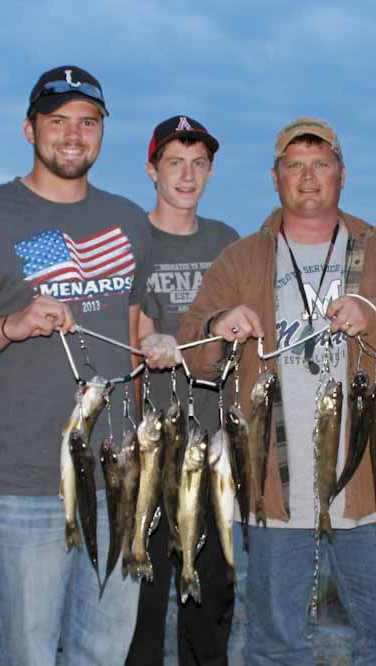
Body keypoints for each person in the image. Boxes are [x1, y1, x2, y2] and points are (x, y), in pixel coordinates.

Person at [0, 65, 174, 665]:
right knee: (30, 653)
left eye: (88, 122)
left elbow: (132, 331)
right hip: (25, 483)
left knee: (104, 650)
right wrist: (8, 325)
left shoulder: (128, 221)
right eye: (58, 120)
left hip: (120, 478)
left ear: (102, 132)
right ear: (30, 129)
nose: (73, 134)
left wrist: (156, 344)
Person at [178, 117, 376, 665]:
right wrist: (218, 324)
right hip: (271, 487)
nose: (308, 177)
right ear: (275, 178)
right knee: (274, 645)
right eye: (295, 166)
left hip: (370, 486)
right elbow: (192, 347)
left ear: (342, 174)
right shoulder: (241, 258)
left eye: (320, 164)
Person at [126, 115, 240, 665]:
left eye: (198, 163)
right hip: (149, 447)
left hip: (213, 445)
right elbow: (121, 329)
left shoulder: (226, 241)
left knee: (211, 596)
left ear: (211, 171)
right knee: (143, 599)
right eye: (174, 163)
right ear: (152, 170)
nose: (187, 175)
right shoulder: (129, 239)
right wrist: (144, 339)